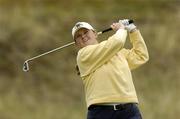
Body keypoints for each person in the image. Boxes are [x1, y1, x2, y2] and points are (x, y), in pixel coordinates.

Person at [72, 19, 149, 119]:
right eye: (78, 36)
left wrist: (133, 31)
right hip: (101, 113)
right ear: (76, 44)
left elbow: (141, 56)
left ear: (95, 33)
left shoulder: (116, 50)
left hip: (129, 111)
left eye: (86, 32)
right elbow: (118, 41)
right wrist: (121, 29)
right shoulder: (83, 55)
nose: (83, 36)